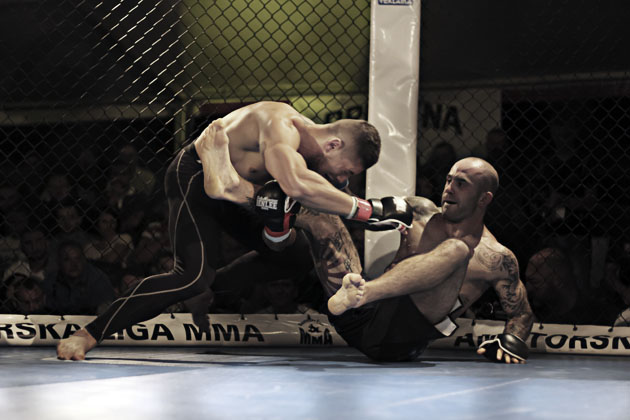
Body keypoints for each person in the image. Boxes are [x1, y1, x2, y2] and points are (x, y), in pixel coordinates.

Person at [57, 101, 409, 360]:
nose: (342, 180)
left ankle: (211, 282)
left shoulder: (309, 158)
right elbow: (295, 183)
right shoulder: (280, 124)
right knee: (190, 276)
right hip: (194, 177)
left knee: (297, 256)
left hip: (241, 195)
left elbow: (306, 191)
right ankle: (90, 333)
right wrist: (368, 210)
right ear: (333, 145)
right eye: (346, 171)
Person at [314, 158, 533, 363]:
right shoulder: (419, 212)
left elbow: (521, 313)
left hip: (397, 340)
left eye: (461, 184)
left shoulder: (495, 258)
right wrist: (335, 181)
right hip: (353, 315)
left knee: (457, 248)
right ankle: (355, 293)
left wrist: (511, 342)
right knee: (317, 212)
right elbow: (357, 212)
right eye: (448, 180)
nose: (449, 188)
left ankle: (363, 293)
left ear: (483, 199)